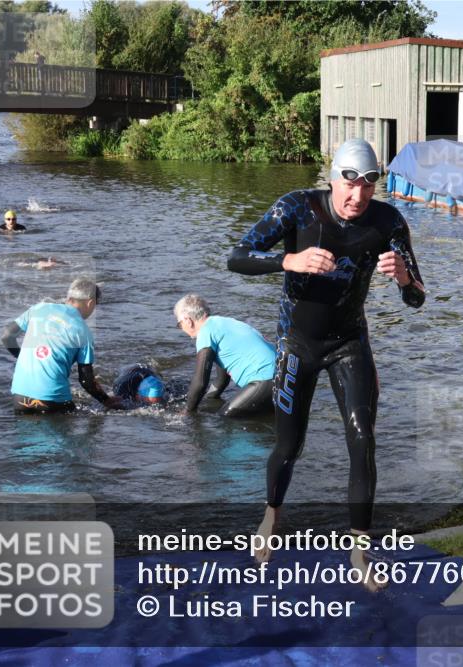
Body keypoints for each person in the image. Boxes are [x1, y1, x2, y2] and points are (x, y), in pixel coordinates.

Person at [227, 138, 425, 588]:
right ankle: (271, 516)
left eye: (368, 188)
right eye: (350, 186)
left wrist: (405, 278)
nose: (357, 198)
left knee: (362, 437)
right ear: (334, 179)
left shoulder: (389, 222)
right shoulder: (297, 208)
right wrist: (288, 260)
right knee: (289, 445)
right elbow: (236, 257)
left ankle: (359, 548)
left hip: (349, 342)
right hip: (296, 342)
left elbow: (417, 298)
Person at [0, 277, 122, 413]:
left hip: (20, 397)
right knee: (94, 421)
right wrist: (107, 400)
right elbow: (86, 381)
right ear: (90, 303)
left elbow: (6, 336)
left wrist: (21, 357)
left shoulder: (38, 308)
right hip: (54, 401)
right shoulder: (83, 331)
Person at [173, 294, 277, 418]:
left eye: (179, 324)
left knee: (224, 418)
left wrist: (187, 412)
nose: (181, 328)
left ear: (188, 320)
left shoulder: (205, 332)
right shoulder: (222, 324)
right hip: (285, 374)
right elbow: (221, 381)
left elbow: (200, 382)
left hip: (265, 379)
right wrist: (207, 399)